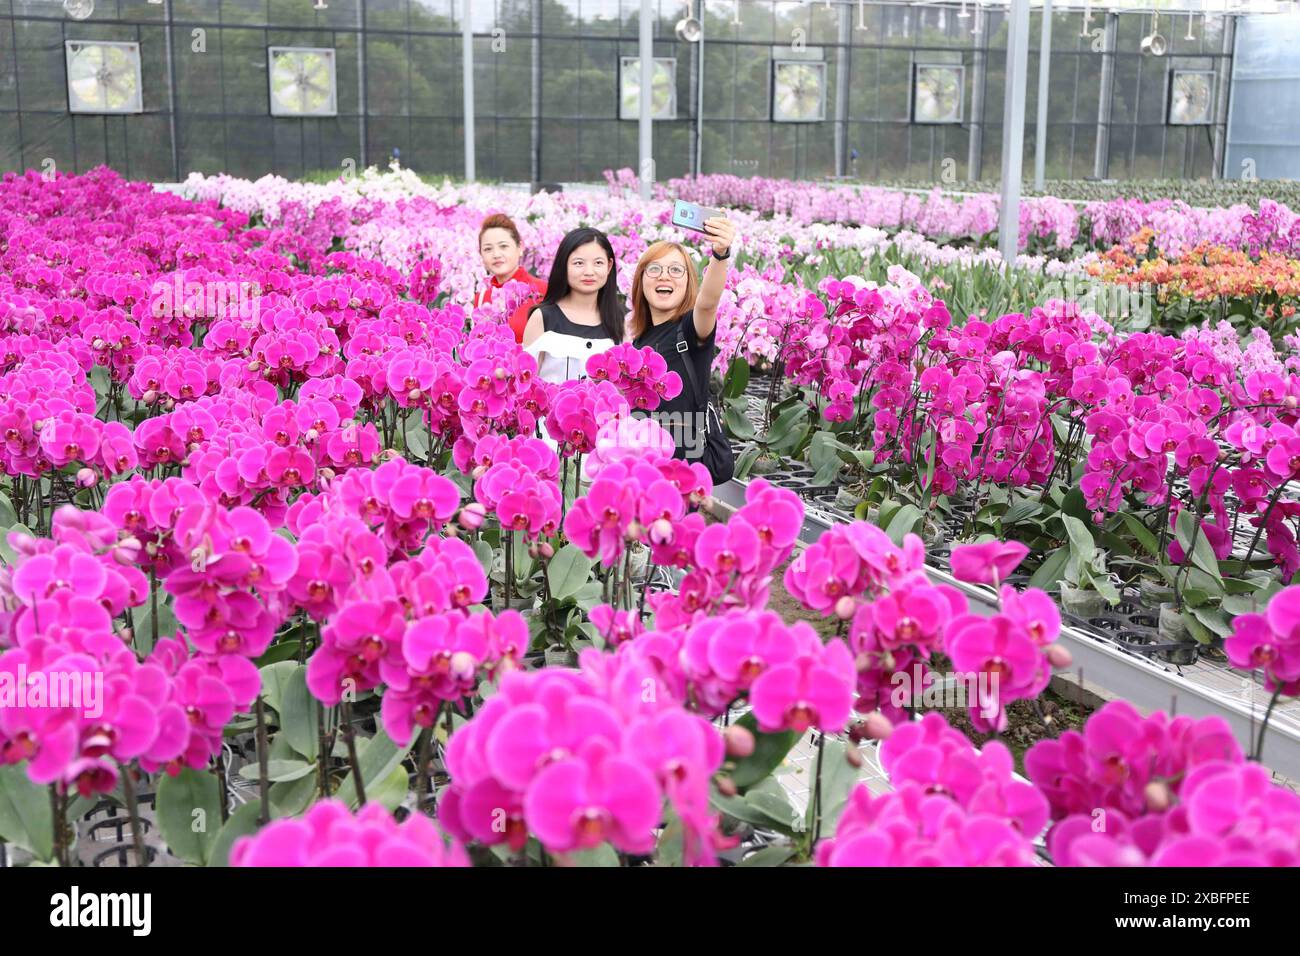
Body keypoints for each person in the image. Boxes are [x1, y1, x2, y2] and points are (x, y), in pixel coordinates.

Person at [628, 215, 738, 479]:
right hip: (639, 465)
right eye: (654, 270)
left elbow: (708, 303)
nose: (664, 276)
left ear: (689, 282)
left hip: (681, 470)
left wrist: (720, 254)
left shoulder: (690, 331)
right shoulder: (638, 340)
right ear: (641, 281)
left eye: (676, 270)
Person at [521, 227, 624, 385]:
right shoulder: (543, 317)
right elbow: (525, 382)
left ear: (609, 266)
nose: (589, 272)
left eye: (598, 263)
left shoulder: (618, 320)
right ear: (564, 265)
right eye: (578, 263)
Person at [473, 213, 548, 342]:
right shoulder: (481, 299)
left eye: (503, 246)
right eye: (488, 249)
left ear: (520, 248)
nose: (496, 254)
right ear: (481, 254)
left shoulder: (543, 291)